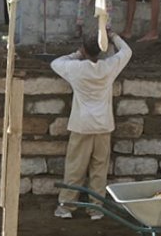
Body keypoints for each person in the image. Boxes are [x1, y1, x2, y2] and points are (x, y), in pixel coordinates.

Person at [51, 32, 132, 220]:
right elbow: (127, 51)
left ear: (84, 49)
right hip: (103, 125)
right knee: (99, 169)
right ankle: (96, 209)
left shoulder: (75, 68)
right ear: (101, 50)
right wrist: (113, 36)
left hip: (82, 125)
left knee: (75, 168)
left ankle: (66, 207)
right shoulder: (108, 67)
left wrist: (76, 54)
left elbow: (55, 63)